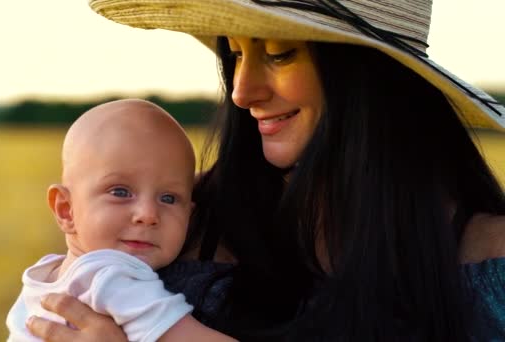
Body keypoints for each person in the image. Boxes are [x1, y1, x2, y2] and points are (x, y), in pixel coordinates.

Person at [27, 0, 505, 341]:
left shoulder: (488, 257)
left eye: (278, 53)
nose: (241, 91)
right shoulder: (174, 224)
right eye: (235, 54)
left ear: (366, 72)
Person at [6, 99, 236, 341]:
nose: (148, 215)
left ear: (189, 215)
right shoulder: (114, 279)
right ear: (66, 209)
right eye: (120, 192)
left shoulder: (39, 280)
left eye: (168, 198)